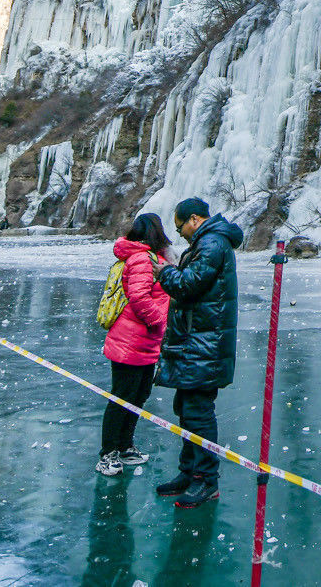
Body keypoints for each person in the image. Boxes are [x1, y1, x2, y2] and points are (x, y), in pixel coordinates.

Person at [151, 197, 243, 508]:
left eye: (180, 229)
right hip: (198, 343)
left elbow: (188, 285)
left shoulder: (212, 244)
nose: (181, 235)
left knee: (199, 413)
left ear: (193, 219)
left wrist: (163, 272)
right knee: (187, 408)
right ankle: (189, 472)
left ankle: (206, 480)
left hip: (205, 345)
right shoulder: (209, 242)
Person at [97, 212, 173, 477]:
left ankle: (125, 446)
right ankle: (108, 453)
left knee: (138, 395)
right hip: (130, 341)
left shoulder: (153, 259)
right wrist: (158, 323)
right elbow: (139, 297)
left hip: (145, 342)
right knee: (122, 397)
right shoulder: (142, 259)